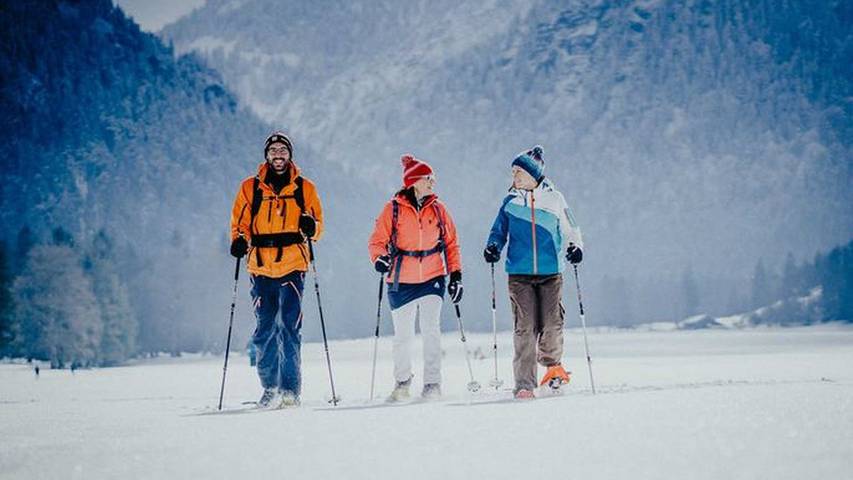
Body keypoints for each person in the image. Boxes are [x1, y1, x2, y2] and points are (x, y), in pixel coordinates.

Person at [229, 131, 323, 408]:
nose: (278, 155)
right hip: (260, 265)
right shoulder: (250, 188)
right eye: (274, 151)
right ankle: (270, 387)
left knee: (289, 328)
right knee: (265, 329)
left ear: (290, 155)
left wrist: (311, 228)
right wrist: (239, 241)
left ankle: (290, 390)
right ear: (266, 156)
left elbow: (318, 226)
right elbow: (240, 223)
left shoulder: (305, 188)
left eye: (283, 150)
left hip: (294, 264)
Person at [483, 146, 584, 399]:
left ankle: (553, 369)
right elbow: (498, 232)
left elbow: (572, 227)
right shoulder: (510, 203)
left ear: (532, 174)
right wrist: (493, 247)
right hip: (519, 274)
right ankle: (524, 384)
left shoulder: (555, 199)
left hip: (551, 272)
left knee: (552, 323)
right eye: (513, 173)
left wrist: (576, 247)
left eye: (518, 172)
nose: (514, 177)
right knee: (524, 327)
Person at [368, 154, 463, 402]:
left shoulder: (439, 210)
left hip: (433, 276)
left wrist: (455, 275)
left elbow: (452, 245)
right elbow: (377, 240)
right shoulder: (393, 209)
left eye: (433, 178)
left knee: (431, 331)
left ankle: (432, 383)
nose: (432, 182)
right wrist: (378, 258)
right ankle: (402, 383)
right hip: (401, 280)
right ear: (414, 181)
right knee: (403, 336)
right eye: (428, 178)